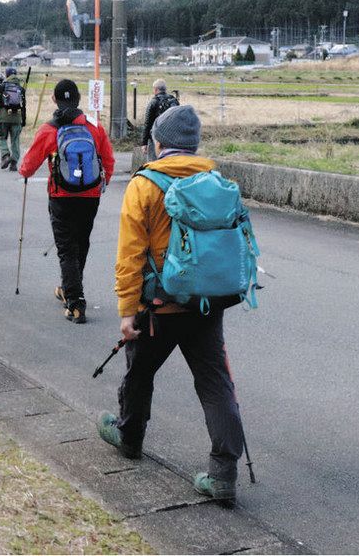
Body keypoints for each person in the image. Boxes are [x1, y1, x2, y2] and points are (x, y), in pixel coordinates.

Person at [97, 105, 246, 503]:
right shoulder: (215, 180)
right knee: (215, 384)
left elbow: (130, 255)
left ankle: (129, 438)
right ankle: (223, 474)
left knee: (139, 372)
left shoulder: (144, 185)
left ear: (158, 143)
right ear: (194, 145)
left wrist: (127, 311)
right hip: (205, 304)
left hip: (157, 307)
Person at [18, 79, 115, 323]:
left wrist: (24, 171)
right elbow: (109, 160)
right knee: (81, 243)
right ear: (78, 99)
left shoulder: (49, 129)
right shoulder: (95, 127)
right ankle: (69, 288)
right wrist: (102, 184)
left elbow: (27, 168)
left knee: (66, 248)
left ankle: (75, 301)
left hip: (61, 196)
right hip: (90, 196)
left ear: (54, 99)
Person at [0, 67, 27, 170]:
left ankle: (5, 155)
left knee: (1, 137)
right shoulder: (20, 88)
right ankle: (14, 162)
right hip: (17, 118)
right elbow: (23, 106)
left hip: (3, 117)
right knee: (15, 140)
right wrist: (23, 120)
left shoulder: (2, 87)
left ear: (6, 75)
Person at [141, 78, 179, 161]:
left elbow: (148, 123)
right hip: (171, 138)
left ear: (155, 89)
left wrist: (144, 143)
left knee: (153, 163)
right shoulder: (173, 101)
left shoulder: (154, 102)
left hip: (155, 139)